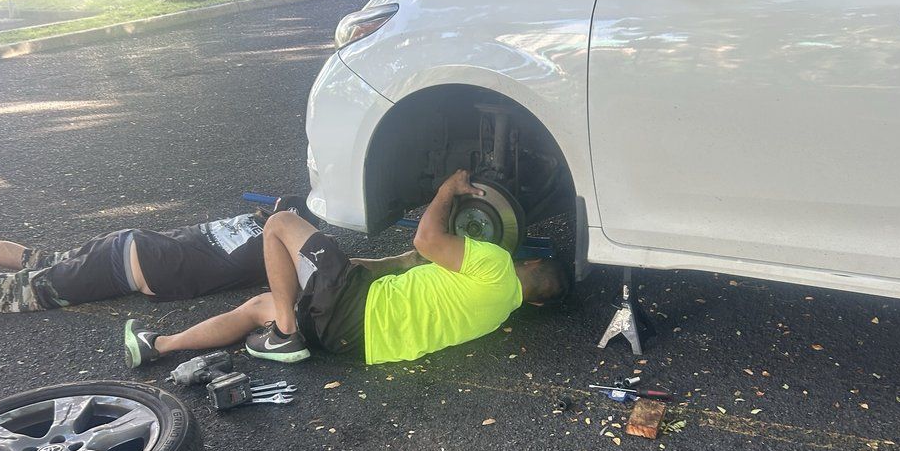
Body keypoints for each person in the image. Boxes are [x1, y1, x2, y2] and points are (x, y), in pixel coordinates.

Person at [123, 171, 570, 368]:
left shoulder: (494, 263)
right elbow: (409, 266)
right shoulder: (497, 312)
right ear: (533, 300)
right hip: (351, 342)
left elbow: (425, 241)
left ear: (527, 263)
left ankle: (282, 334)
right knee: (258, 303)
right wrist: (350, 265)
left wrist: (447, 190)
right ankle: (158, 344)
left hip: (354, 305)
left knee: (279, 223)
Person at [0, 201, 301, 314]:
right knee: (17, 289)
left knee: (37, 259)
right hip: (126, 266)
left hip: (127, 243)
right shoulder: (278, 256)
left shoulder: (255, 222)